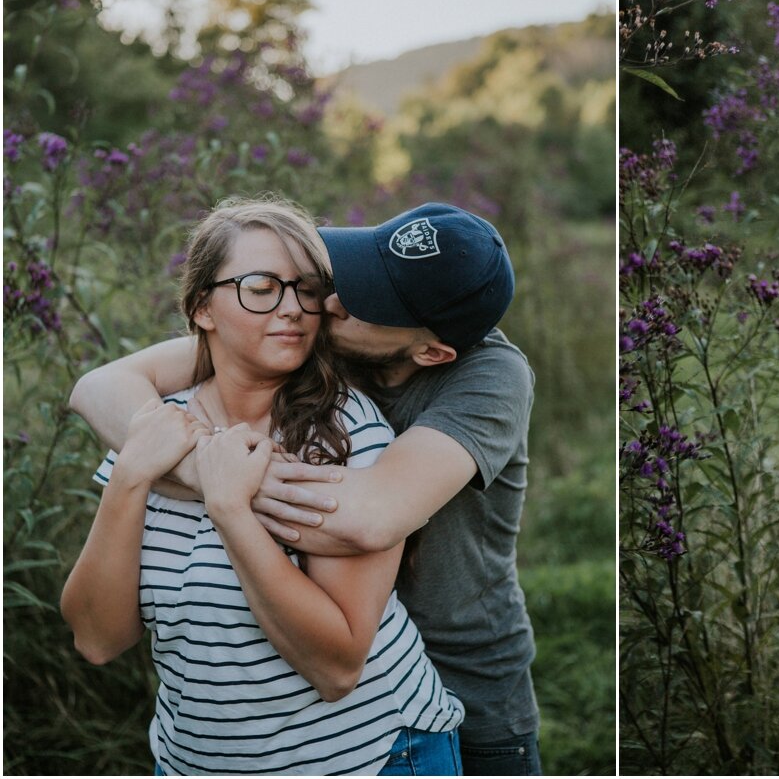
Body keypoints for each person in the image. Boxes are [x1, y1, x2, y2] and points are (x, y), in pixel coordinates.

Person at [69, 202, 543, 775]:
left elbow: (370, 514)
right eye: (341, 281)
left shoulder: (486, 379)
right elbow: (102, 383)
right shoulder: (316, 344)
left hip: (461, 680)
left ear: (430, 351)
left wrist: (230, 491)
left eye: (367, 303)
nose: (329, 304)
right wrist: (187, 463)